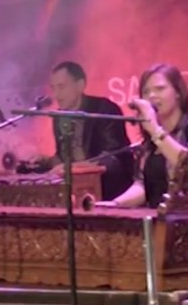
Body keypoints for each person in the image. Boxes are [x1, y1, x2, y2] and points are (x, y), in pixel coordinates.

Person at [103, 64, 188, 208]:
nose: (152, 96)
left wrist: (155, 130)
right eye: (146, 92)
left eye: (160, 89)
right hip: (159, 220)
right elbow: (142, 187)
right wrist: (114, 204)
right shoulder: (150, 142)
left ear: (178, 92)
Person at [47, 61, 135, 200]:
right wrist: (44, 161)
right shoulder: (58, 117)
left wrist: (70, 168)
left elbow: (113, 159)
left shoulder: (103, 109)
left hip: (110, 191)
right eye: (53, 88)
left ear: (80, 85)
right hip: (76, 192)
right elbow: (63, 157)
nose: (56, 95)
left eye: (61, 87)